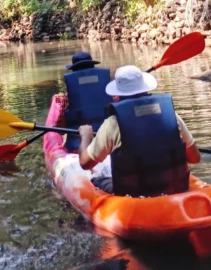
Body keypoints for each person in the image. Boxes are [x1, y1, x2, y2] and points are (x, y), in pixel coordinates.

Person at [77, 64, 200, 197]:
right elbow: (195, 158)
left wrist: (86, 136)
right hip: (172, 188)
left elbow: (85, 163)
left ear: (116, 95)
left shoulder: (113, 124)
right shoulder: (171, 117)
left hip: (133, 195)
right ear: (145, 89)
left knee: (97, 178)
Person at [63, 51, 111, 152]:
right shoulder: (104, 80)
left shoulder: (71, 83)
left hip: (79, 140)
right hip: (107, 135)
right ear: (92, 65)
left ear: (74, 68)